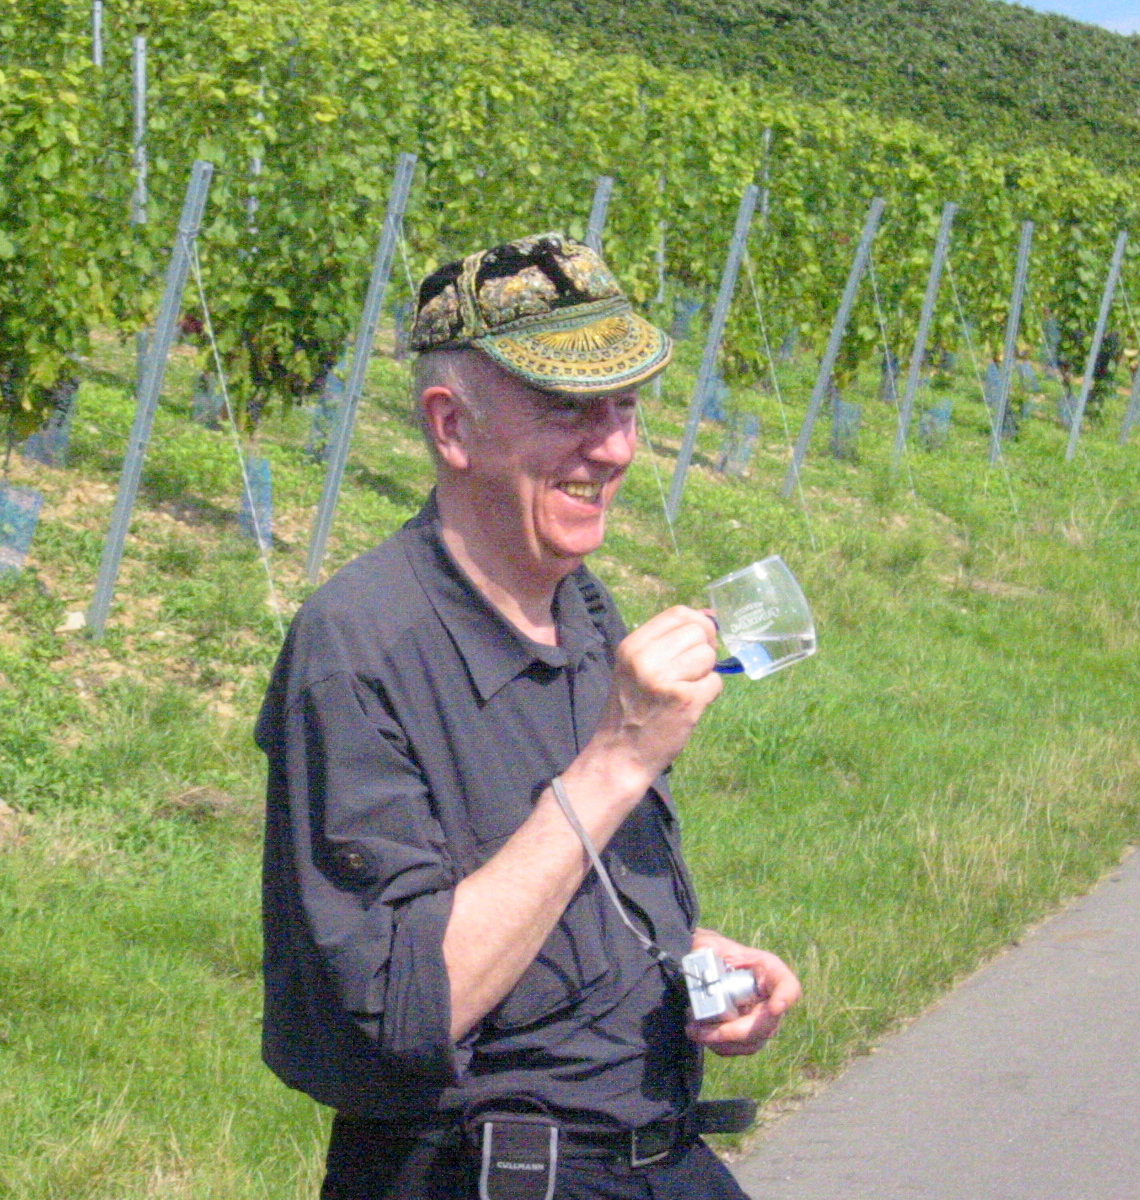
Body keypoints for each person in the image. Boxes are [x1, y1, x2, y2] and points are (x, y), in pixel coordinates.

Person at [258, 232, 801, 1199]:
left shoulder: (584, 612)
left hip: (659, 1161)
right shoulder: (358, 649)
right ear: (451, 426)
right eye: (566, 408)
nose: (616, 446)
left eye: (625, 405)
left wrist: (694, 963)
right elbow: (405, 1010)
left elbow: (563, 892)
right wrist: (617, 759)